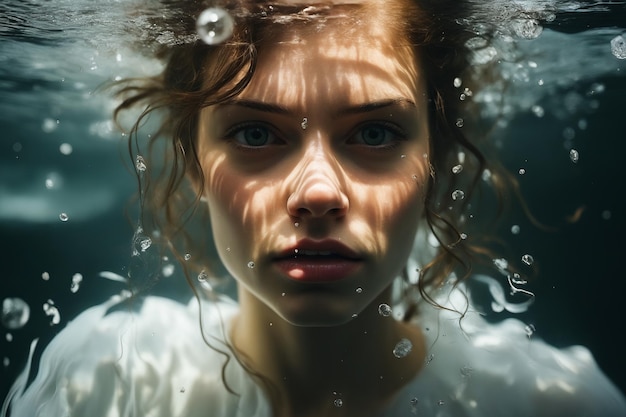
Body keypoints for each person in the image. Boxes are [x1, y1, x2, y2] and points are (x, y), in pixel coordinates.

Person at [3, 0, 626, 416]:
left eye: (375, 133)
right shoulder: (108, 386)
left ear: (437, 161)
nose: (320, 192)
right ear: (194, 165)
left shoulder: (554, 404)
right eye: (255, 134)